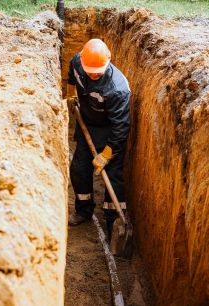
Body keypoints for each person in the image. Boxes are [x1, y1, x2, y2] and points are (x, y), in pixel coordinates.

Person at [67, 38, 131, 237]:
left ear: (108, 61)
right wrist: (71, 95)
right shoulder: (78, 62)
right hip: (87, 122)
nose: (93, 74)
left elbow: (121, 127)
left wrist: (106, 154)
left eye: (98, 71)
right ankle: (84, 210)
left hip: (110, 130)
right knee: (79, 167)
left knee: (112, 176)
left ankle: (113, 222)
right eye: (89, 70)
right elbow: (71, 78)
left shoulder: (118, 88)